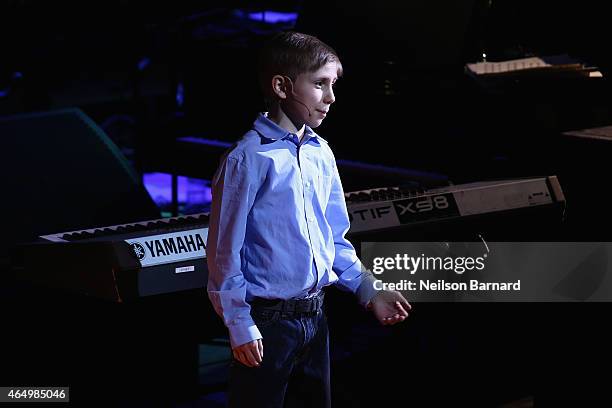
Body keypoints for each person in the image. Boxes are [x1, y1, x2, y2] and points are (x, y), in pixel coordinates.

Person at [206, 31, 411, 408]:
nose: (331, 98)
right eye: (320, 84)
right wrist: (238, 323)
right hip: (268, 325)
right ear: (282, 86)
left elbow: (334, 239)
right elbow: (223, 254)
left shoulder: (321, 153)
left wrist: (368, 289)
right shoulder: (248, 159)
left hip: (315, 318)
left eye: (333, 85)